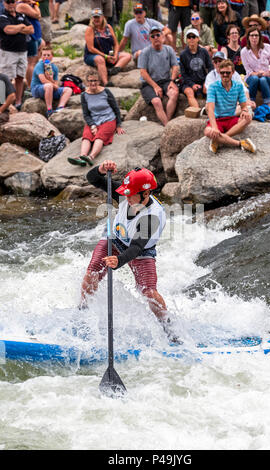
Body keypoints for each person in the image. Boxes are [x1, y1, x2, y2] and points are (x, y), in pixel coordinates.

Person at [81, 160, 179, 343]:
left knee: (148, 291)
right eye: (126, 194)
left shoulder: (152, 217)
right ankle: (82, 312)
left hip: (141, 251)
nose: (127, 198)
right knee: (93, 270)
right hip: (115, 238)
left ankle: (169, 329)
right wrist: (101, 169)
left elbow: (135, 248)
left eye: (132, 195)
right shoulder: (126, 195)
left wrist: (119, 262)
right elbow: (93, 178)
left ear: (146, 193)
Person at [68, 72, 125, 167]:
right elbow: (86, 114)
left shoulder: (106, 92)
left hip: (108, 119)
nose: (93, 83)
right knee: (86, 136)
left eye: (95, 80)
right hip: (94, 121)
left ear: (99, 81)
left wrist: (118, 125)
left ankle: (91, 157)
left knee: (99, 137)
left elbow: (116, 109)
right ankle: (82, 157)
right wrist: (92, 125)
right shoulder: (84, 95)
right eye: (90, 81)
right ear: (87, 82)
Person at [204, 59, 256, 154]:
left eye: (227, 73)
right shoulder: (213, 87)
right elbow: (210, 109)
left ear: (233, 72)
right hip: (217, 119)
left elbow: (243, 105)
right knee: (207, 132)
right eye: (222, 72)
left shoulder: (238, 86)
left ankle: (219, 140)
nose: (225, 75)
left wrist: (244, 111)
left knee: (248, 118)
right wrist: (215, 127)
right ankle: (240, 143)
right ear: (219, 72)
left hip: (231, 118)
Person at [138, 25, 179, 126]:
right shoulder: (145, 52)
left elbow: (175, 66)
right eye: (153, 36)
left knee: (174, 94)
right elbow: (143, 72)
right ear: (150, 39)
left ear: (162, 36)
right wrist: (155, 86)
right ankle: (167, 126)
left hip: (165, 81)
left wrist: (172, 81)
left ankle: (168, 122)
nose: (156, 37)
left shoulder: (169, 49)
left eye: (158, 35)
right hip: (149, 83)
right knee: (157, 102)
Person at [84, 8, 131, 88]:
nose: (96, 19)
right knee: (100, 59)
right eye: (94, 17)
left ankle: (113, 70)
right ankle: (106, 82)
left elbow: (116, 44)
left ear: (103, 17)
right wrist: (105, 56)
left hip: (109, 54)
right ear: (92, 18)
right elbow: (90, 48)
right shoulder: (90, 29)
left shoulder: (108, 27)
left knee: (127, 56)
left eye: (98, 17)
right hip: (93, 55)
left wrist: (115, 55)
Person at [0, 0, 34, 110]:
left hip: (22, 51)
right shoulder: (2, 16)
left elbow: (31, 29)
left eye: (12, 1)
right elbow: (7, 30)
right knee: (7, 78)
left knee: (20, 77)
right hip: (8, 52)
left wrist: (17, 29)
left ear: (16, 2)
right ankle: (4, 103)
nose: (10, 4)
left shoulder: (21, 15)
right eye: (8, 2)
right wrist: (21, 27)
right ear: (4, 3)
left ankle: (18, 102)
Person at [203, 51, 256, 116]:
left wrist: (247, 100)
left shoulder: (234, 73)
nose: (217, 63)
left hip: (232, 104)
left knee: (249, 105)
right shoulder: (210, 75)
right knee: (208, 107)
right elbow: (211, 93)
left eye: (220, 61)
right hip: (218, 103)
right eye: (215, 62)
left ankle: (225, 115)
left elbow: (243, 89)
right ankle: (231, 114)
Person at [31, 45, 73, 117]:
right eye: (44, 55)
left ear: (52, 56)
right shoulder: (39, 65)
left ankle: (60, 108)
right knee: (49, 86)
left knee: (68, 90)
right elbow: (43, 80)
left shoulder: (54, 68)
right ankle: (49, 110)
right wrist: (53, 84)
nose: (46, 57)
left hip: (50, 88)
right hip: (37, 88)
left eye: (48, 55)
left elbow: (56, 85)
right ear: (41, 56)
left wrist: (50, 79)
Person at [240, 26, 270, 107]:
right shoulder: (244, 52)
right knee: (255, 79)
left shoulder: (267, 47)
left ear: (260, 37)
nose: (254, 38)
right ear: (248, 37)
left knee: (263, 79)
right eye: (252, 35)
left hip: (268, 76)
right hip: (253, 77)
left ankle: (267, 106)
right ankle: (251, 103)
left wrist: (268, 72)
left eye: (256, 35)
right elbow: (248, 71)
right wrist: (258, 74)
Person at [179, 28, 213, 107]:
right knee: (189, 92)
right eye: (189, 37)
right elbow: (183, 74)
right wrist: (192, 84)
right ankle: (197, 114)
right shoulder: (183, 54)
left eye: (193, 37)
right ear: (186, 40)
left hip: (202, 80)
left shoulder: (204, 51)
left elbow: (210, 67)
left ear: (198, 39)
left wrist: (207, 81)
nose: (191, 39)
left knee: (210, 90)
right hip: (188, 82)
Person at [15, 0, 43, 87]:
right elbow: (37, 15)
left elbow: (39, 16)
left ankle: (34, 82)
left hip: (36, 35)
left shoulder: (29, 4)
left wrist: (34, 4)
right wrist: (35, 4)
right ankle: (31, 86)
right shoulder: (22, 5)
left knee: (35, 61)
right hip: (30, 37)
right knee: (31, 63)